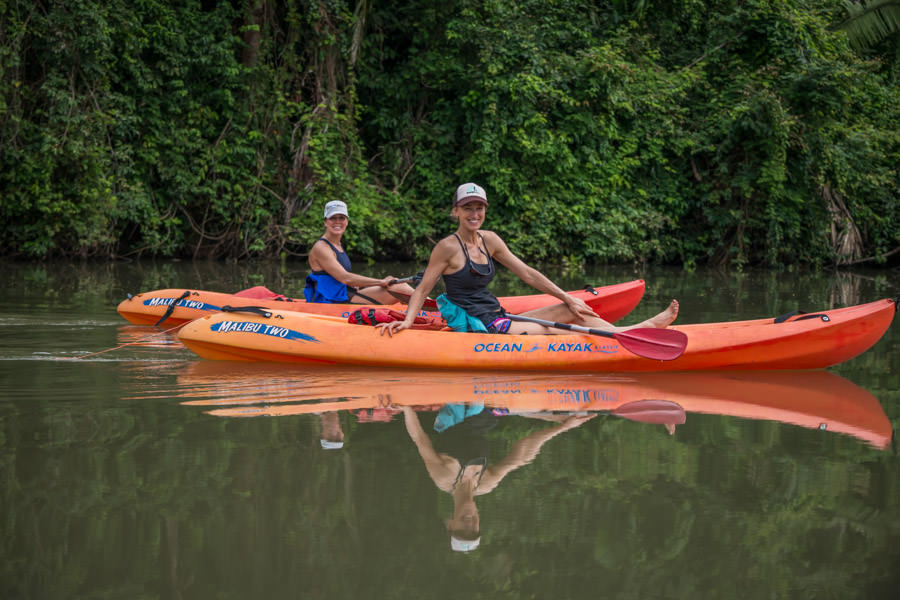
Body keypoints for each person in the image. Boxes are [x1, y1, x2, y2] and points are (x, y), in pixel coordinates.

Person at [378, 183, 678, 336]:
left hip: (500, 314)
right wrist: (407, 321)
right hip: (482, 325)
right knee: (555, 328)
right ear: (456, 211)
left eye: (479, 208)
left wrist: (567, 297)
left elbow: (527, 273)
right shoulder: (446, 247)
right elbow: (424, 287)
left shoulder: (490, 239)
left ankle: (634, 331)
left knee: (573, 308)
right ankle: (643, 330)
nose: (474, 214)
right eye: (467, 208)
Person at [400, 403, 594, 552]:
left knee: (480, 407)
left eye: (462, 530)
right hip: (483, 419)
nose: (469, 525)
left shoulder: (443, 478)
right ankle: (552, 417)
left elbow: (420, 439)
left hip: (452, 419)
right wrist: (562, 428)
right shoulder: (486, 483)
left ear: (451, 524)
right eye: (473, 530)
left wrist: (406, 407)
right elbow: (521, 455)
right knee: (491, 412)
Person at [305, 200, 417, 304]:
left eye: (341, 218)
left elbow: (343, 280)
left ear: (347, 221)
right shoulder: (321, 248)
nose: (337, 222)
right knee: (398, 288)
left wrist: (366, 285)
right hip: (333, 301)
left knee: (395, 282)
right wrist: (380, 282)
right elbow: (345, 278)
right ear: (325, 222)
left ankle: (423, 308)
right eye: (333, 218)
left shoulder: (337, 245)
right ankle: (432, 310)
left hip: (345, 293)